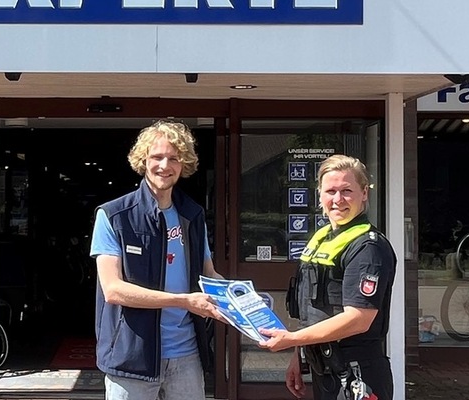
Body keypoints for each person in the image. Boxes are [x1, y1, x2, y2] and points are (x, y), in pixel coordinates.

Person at [90, 120, 225, 400]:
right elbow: (113, 290)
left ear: (183, 163)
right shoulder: (114, 216)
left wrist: (243, 301)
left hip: (187, 355)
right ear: (143, 160)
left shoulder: (192, 214)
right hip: (132, 358)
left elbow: (209, 273)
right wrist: (184, 301)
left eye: (174, 158)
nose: (165, 165)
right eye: (157, 157)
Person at [259, 154, 398, 400]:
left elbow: (359, 319)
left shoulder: (367, 247)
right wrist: (299, 356)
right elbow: (313, 311)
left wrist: (292, 339)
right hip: (324, 370)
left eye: (347, 190)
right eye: (330, 191)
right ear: (320, 195)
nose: (337, 200)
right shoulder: (323, 239)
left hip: (357, 374)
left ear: (364, 193)